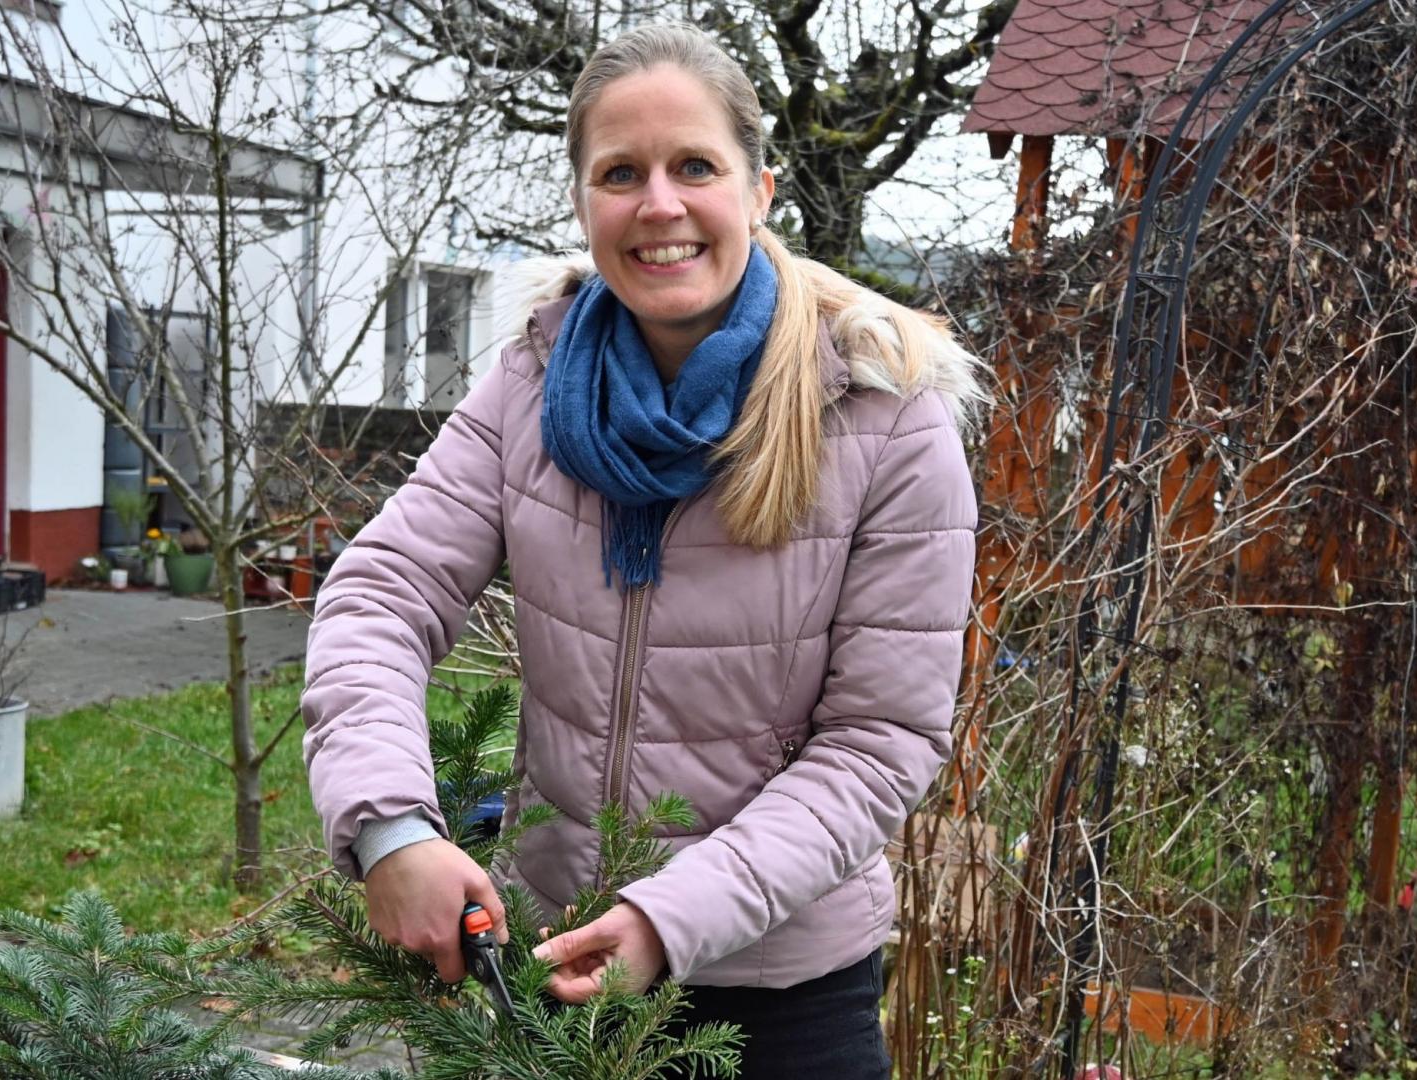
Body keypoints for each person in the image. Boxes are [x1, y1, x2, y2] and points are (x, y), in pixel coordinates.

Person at [301, 22, 980, 1078]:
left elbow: (879, 741)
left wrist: (668, 920)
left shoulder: (884, 419)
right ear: (584, 203)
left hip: (785, 999)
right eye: (621, 172)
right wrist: (390, 827)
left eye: (695, 167)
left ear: (757, 190)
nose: (659, 205)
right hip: (556, 968)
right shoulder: (531, 387)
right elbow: (382, 593)